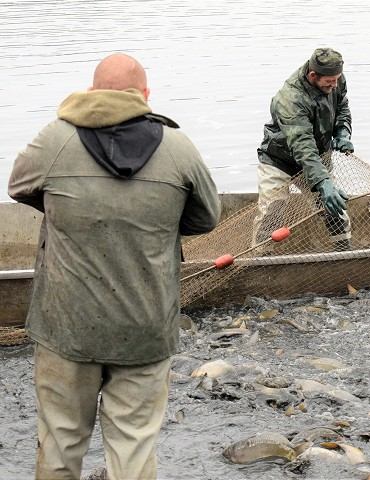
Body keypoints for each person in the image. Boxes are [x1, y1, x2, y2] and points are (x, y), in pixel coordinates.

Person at [8, 53, 221, 479]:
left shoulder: (55, 139)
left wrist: (66, 212)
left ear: (92, 93)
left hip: (66, 327)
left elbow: (18, 186)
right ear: (145, 96)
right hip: (145, 329)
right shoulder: (178, 149)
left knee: (59, 445)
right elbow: (206, 218)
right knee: (134, 450)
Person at [254, 47, 353, 250]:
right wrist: (323, 182)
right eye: (329, 82)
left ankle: (344, 251)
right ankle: (261, 260)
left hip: (317, 156)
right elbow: (302, 146)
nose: (334, 85)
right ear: (312, 75)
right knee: (272, 212)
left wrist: (343, 132)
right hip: (279, 160)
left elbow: (342, 107)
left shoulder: (336, 79)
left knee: (334, 207)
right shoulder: (290, 98)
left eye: (337, 80)